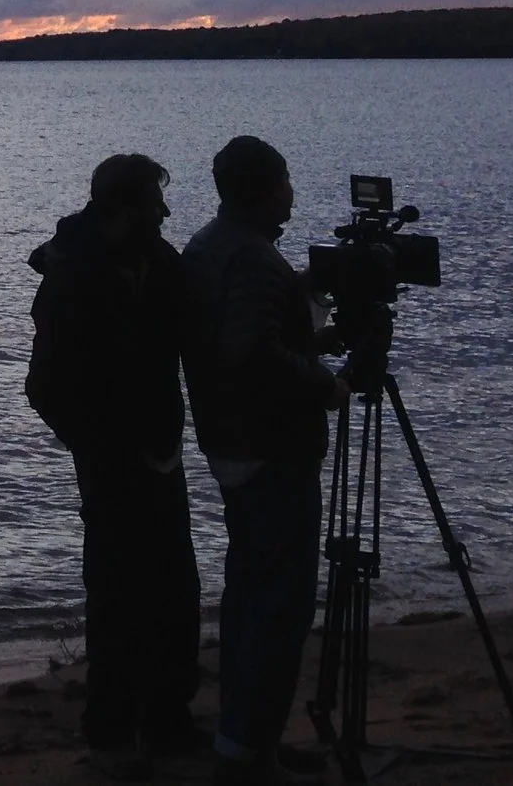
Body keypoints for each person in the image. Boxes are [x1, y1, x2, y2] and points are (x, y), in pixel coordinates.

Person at [27, 152, 202, 781]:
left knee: (176, 591)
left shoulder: (157, 261)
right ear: (125, 205)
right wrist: (95, 444)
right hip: (111, 459)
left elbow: (193, 322)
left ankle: (166, 720)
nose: (166, 210)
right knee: (117, 597)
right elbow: (44, 384)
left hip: (159, 451)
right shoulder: (74, 274)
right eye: (156, 200)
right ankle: (110, 731)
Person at [181, 136, 345, 786]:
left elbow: (246, 338)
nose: (293, 190)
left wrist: (313, 336)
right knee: (280, 605)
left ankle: (246, 742)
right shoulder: (251, 257)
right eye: (286, 178)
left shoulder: (210, 244)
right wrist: (323, 383)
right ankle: (249, 751)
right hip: (268, 449)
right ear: (265, 186)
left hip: (232, 443)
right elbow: (249, 352)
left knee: (251, 594)